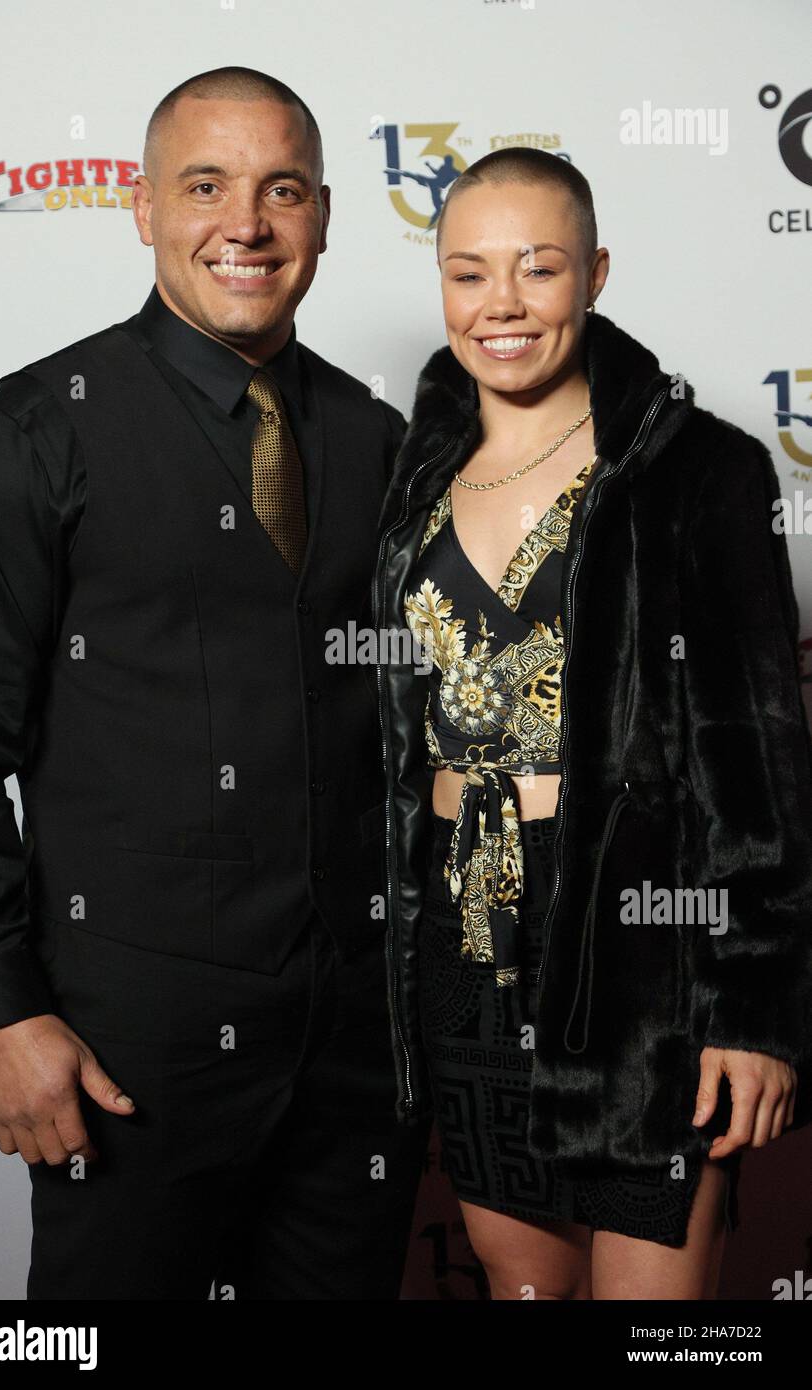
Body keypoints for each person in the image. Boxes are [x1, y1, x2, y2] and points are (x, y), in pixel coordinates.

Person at [0, 66, 430, 1300]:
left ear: (322, 212)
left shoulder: (376, 443)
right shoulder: (27, 435)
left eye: (280, 190)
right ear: (144, 209)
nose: (245, 224)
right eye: (204, 186)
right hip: (130, 1051)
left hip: (358, 1055)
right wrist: (0, 1008)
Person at [373, 147, 812, 1299]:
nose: (500, 305)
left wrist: (755, 1011)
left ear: (596, 272)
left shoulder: (695, 471)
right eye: (467, 274)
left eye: (539, 268)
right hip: (462, 947)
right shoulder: (408, 472)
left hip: (638, 956)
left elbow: (755, 759)